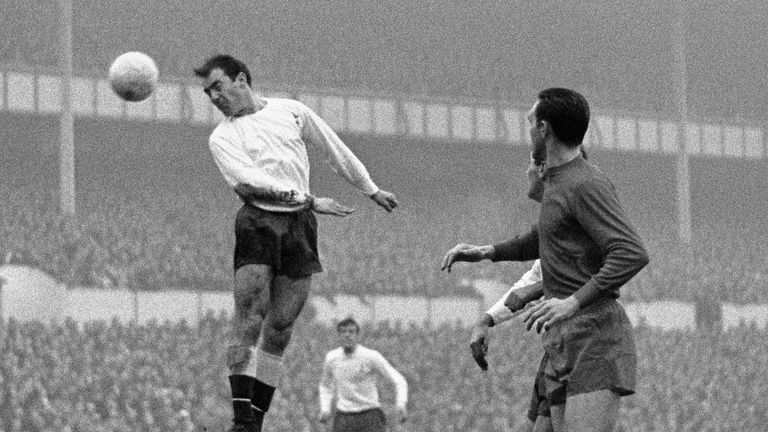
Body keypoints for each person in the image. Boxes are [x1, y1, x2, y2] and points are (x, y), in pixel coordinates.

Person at [193, 54, 399, 432]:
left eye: (217, 87)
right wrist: (310, 201)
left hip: (300, 225)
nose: (213, 98)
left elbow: (335, 149)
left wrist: (369, 189)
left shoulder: (291, 111)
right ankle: (241, 421)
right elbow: (248, 184)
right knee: (251, 314)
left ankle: (256, 419)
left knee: (281, 327)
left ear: (241, 80)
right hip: (259, 221)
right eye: (208, 93)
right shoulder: (221, 137)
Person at [441, 88, 649, 432]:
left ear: (545, 129)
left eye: (530, 122)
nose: (527, 129)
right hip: (562, 340)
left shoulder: (586, 183)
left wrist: (571, 302)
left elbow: (631, 252)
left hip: (594, 339)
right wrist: (488, 252)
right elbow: (544, 238)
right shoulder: (557, 181)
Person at [318, 317, 408, 432]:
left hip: (370, 414)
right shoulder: (331, 358)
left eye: (351, 332)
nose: (347, 335)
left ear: (357, 335)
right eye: (343, 332)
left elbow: (399, 380)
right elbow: (325, 385)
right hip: (344, 416)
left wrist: (401, 404)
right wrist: (325, 408)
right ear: (339, 336)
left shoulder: (370, 356)